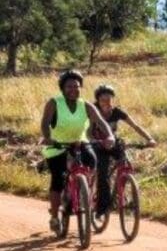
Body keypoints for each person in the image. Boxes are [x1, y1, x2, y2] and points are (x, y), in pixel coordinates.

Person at [41, 69, 115, 234]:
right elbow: (45, 123)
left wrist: (110, 136)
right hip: (57, 145)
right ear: (62, 88)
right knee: (58, 179)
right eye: (69, 87)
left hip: (79, 142)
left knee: (92, 161)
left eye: (76, 86)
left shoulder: (85, 105)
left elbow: (101, 122)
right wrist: (48, 137)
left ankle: (84, 190)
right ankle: (54, 216)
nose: (73, 89)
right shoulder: (54, 103)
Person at [90, 84, 156, 217]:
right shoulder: (93, 112)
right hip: (98, 145)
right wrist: (94, 141)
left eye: (109, 99)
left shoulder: (117, 112)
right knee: (102, 173)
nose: (107, 103)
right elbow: (87, 132)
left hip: (113, 143)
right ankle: (102, 207)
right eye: (103, 100)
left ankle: (124, 192)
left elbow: (135, 126)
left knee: (125, 163)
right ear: (98, 101)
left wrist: (149, 139)